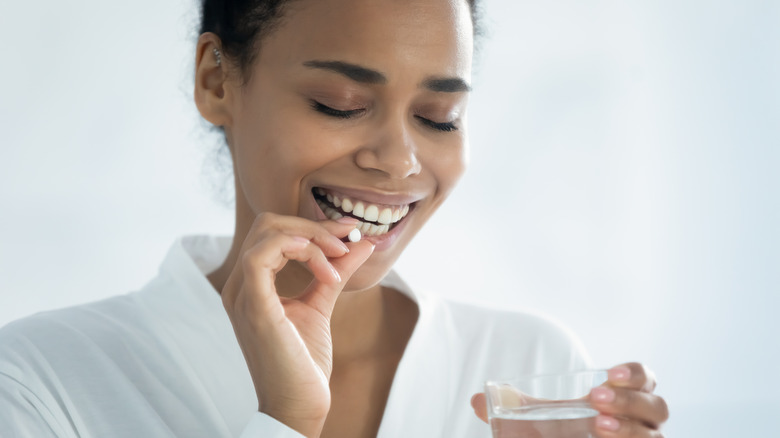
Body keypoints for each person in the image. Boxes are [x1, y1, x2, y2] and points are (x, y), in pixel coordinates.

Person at [0, 0, 669, 437]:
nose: (398, 162)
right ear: (215, 81)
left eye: (439, 118)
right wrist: (285, 422)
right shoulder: (40, 383)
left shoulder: (527, 369)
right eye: (340, 103)